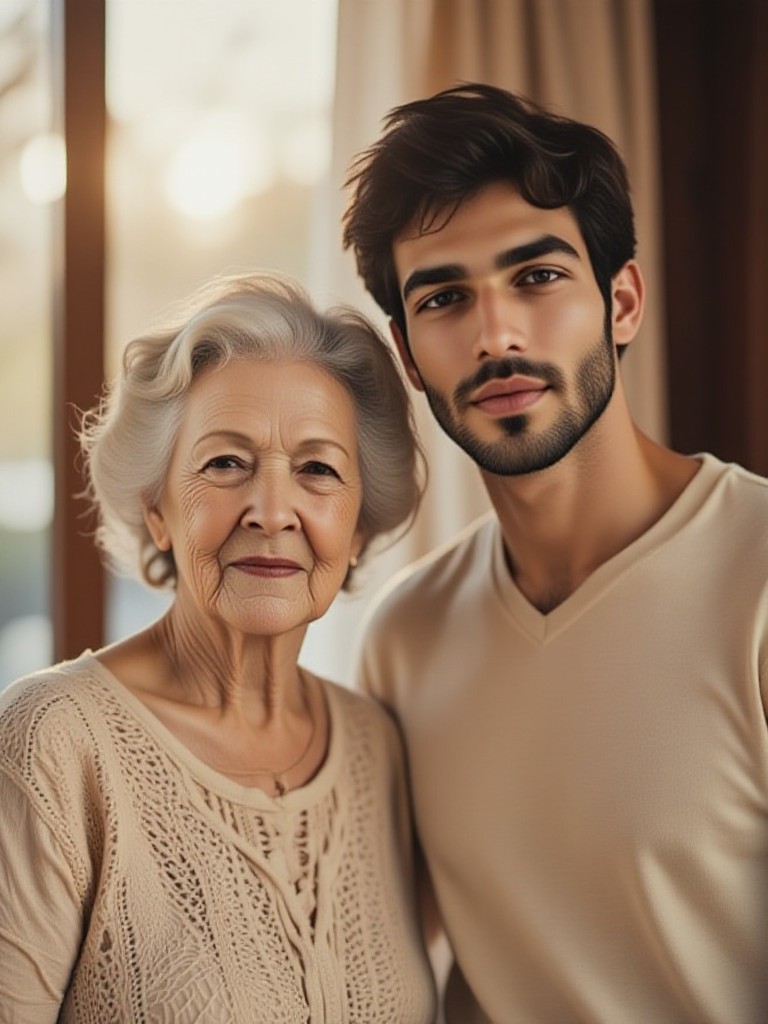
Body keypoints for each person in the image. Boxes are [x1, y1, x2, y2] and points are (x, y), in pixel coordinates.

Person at [342, 82, 768, 1023]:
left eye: (536, 277)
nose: (496, 333)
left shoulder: (758, 581)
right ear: (409, 358)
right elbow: (438, 975)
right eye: (446, 297)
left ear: (622, 301)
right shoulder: (405, 638)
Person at [0, 271, 437, 1022]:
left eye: (318, 469)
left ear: (359, 526)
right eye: (225, 463)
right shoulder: (55, 741)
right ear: (158, 511)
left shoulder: (378, 749)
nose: (272, 511)